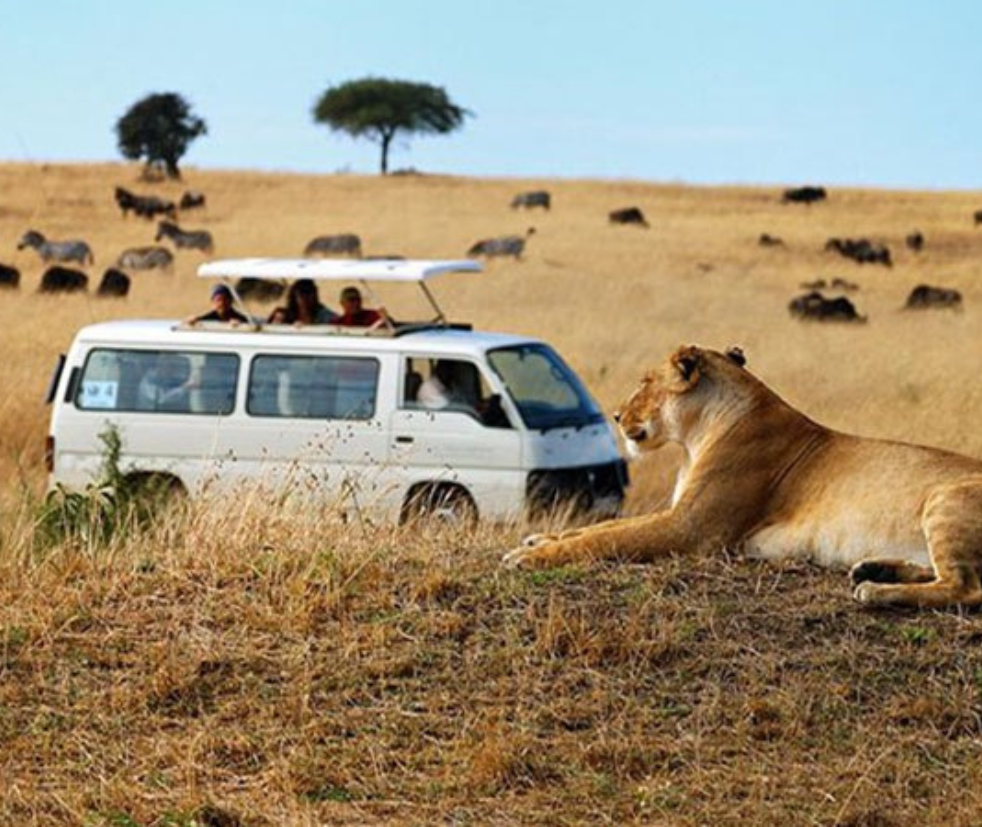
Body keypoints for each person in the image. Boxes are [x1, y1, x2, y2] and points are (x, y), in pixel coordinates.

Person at [269, 279, 338, 325]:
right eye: (302, 293)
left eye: (308, 292)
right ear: (295, 295)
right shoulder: (286, 315)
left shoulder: (326, 316)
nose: (305, 297)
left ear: (314, 294)